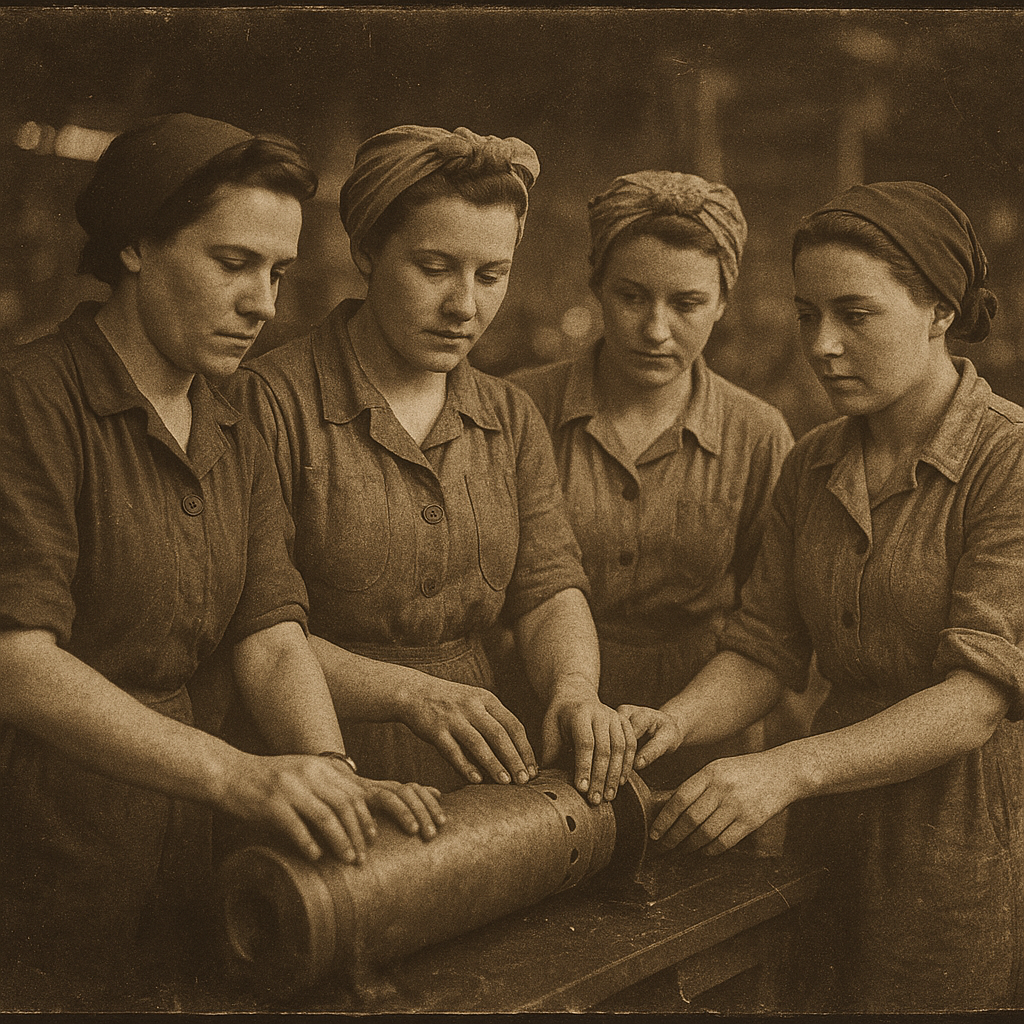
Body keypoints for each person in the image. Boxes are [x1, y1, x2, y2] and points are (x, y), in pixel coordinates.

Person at [0, 113, 443, 1010]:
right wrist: (240, 774)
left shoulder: (233, 421)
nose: (263, 304)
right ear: (136, 245)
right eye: (233, 263)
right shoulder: (31, 401)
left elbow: (269, 636)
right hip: (49, 856)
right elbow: (18, 663)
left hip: (195, 857)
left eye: (276, 272)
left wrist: (330, 774)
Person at [621, 181, 1024, 1012]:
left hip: (960, 828)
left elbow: (975, 702)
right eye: (808, 315)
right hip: (827, 827)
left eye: (855, 314)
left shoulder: (1007, 460)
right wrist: (676, 721)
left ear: (939, 310)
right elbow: (764, 649)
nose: (823, 345)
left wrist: (786, 770)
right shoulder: (812, 461)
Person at [229, 125, 634, 802]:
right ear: (366, 252)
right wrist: (414, 694)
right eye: (435, 268)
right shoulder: (268, 403)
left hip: (477, 768)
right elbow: (258, 628)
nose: (464, 306)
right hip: (312, 762)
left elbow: (547, 589)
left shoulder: (508, 417)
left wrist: (573, 690)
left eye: (491, 275)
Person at [511, 171, 796, 792]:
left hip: (705, 736)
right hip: (542, 722)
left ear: (722, 302)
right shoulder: (520, 409)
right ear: (597, 286)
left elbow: (771, 627)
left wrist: (686, 720)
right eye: (632, 297)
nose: (656, 330)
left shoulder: (757, 435)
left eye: (687, 304)